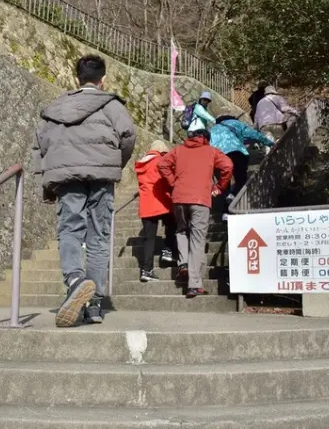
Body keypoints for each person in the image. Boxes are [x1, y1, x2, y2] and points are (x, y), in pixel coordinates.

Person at [32, 54, 137, 327]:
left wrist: (46, 180)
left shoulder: (57, 106)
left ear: (75, 79)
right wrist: (115, 163)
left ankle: (75, 280)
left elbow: (41, 142)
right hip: (102, 177)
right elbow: (128, 136)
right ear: (103, 80)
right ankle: (95, 305)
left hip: (68, 176)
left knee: (70, 229)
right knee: (99, 236)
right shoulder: (112, 105)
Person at [157, 129, 232, 298]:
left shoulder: (178, 149)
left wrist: (172, 182)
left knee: (181, 231)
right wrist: (219, 187)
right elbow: (228, 165)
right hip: (200, 199)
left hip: (179, 198)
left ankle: (183, 264)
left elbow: (162, 164)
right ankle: (194, 284)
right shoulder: (211, 151)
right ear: (206, 139)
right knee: (197, 240)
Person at [134, 140, 178, 282]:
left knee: (149, 239)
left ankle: (146, 270)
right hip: (162, 201)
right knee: (172, 224)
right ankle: (168, 250)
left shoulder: (141, 162)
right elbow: (167, 180)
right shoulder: (161, 160)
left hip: (146, 204)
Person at [210, 115, 274, 199]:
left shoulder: (212, 129)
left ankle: (226, 204)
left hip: (218, 156)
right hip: (236, 151)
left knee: (224, 182)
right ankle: (239, 200)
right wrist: (270, 143)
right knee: (240, 178)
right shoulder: (235, 123)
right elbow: (254, 134)